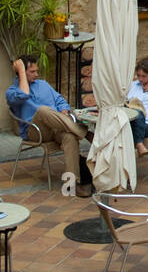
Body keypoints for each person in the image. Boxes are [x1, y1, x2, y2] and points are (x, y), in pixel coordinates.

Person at [6, 54, 93, 197]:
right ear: (21, 73)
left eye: (37, 71)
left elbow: (60, 101)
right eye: (32, 72)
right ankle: (85, 132)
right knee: (42, 110)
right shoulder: (12, 92)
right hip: (35, 132)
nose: (37, 74)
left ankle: (72, 185)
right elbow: (24, 94)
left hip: (57, 127)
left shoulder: (43, 85)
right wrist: (21, 71)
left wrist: (64, 110)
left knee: (70, 137)